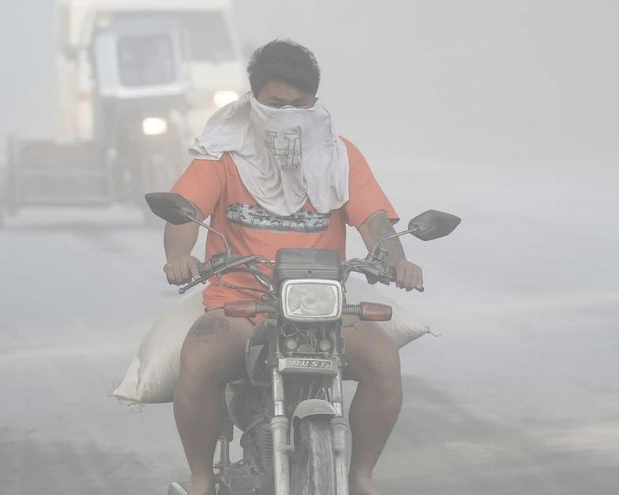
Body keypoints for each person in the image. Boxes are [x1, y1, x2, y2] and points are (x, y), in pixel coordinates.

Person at [162, 40, 423, 495]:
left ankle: (361, 476)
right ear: (254, 100)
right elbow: (184, 212)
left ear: (315, 103)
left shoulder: (340, 156)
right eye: (276, 104)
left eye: (299, 105)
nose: (287, 115)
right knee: (199, 360)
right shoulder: (224, 153)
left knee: (384, 360)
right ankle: (201, 479)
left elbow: (374, 221)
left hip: (324, 304)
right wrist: (179, 258)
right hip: (240, 305)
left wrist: (397, 260)